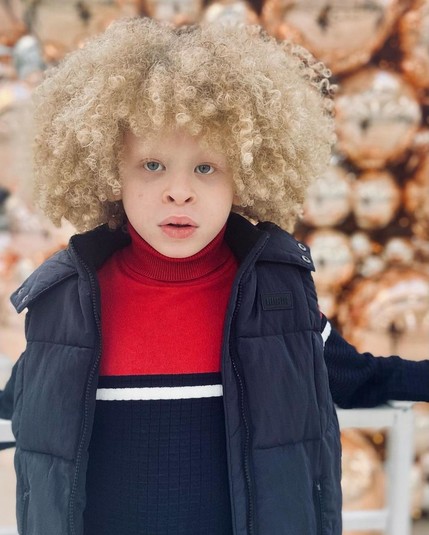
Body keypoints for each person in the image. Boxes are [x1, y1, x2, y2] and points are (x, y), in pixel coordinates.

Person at [0, 17, 428, 535]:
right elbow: (25, 405)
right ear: (111, 173)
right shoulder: (68, 301)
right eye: (152, 165)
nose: (179, 191)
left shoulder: (274, 299)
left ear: (245, 176)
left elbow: (355, 375)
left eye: (206, 168)